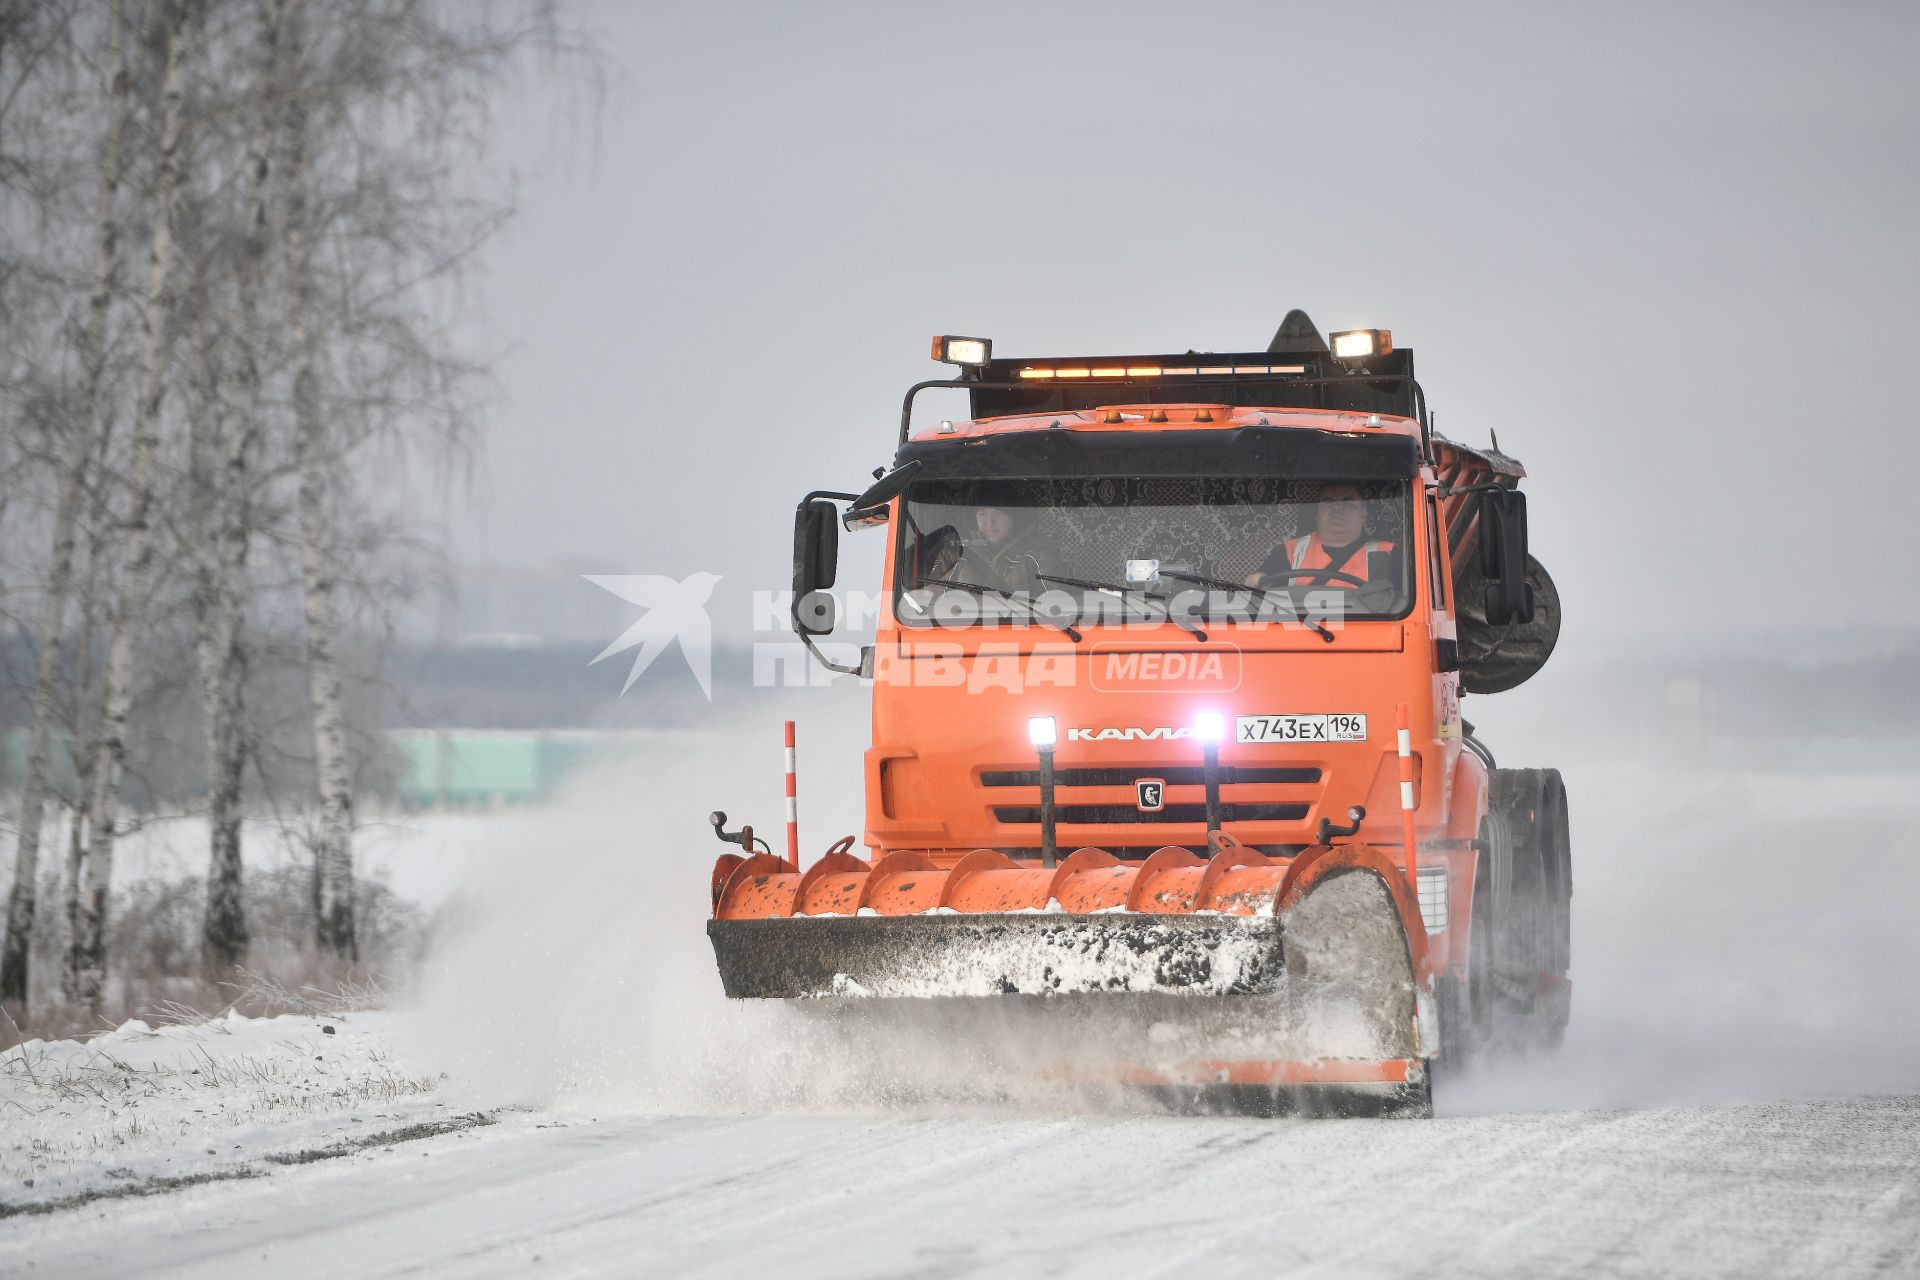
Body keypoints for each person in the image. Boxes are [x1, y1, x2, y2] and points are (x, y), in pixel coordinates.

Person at [1248, 483, 1396, 590]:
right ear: (1317, 513)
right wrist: (1257, 580)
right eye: (1328, 501)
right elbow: (1259, 587)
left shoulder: (1389, 553)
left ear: (1363, 514)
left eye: (1348, 502)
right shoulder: (1289, 552)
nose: (1337, 508)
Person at [961, 505, 1052, 592]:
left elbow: (1056, 603)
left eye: (998, 512)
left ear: (1013, 517)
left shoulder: (1038, 557)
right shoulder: (961, 554)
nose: (989, 522)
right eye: (982, 514)